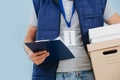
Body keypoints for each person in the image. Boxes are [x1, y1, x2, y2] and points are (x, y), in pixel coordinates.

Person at [24, 0, 120, 80]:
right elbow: (30, 35)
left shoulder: (98, 1)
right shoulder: (41, 2)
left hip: (89, 73)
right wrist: (30, 53)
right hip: (51, 74)